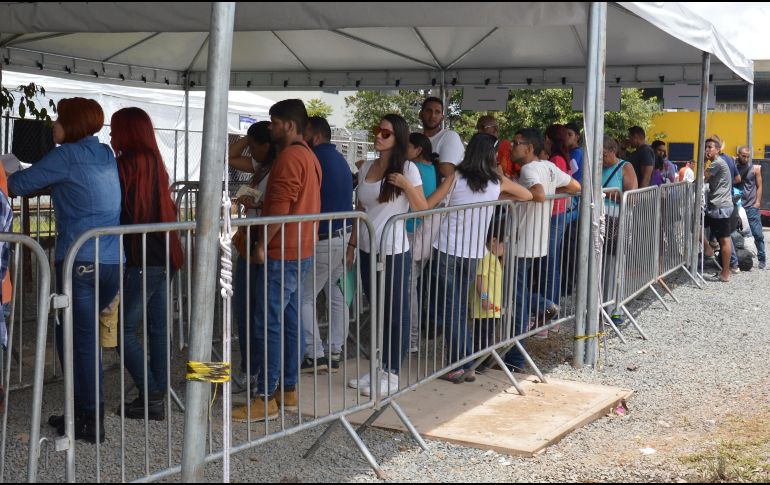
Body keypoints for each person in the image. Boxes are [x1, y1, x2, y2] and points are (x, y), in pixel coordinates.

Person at [9, 97, 121, 443]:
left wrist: (8, 168)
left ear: (71, 124)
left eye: (58, 119)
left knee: (80, 342)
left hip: (80, 261)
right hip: (113, 261)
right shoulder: (104, 154)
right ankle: (82, 412)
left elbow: (18, 186)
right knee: (73, 338)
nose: (53, 125)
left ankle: (90, 420)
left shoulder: (65, 156)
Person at [232, 99, 322, 422]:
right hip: (301, 250)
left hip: (282, 252)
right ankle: (287, 389)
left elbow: (281, 208)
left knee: (266, 323)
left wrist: (261, 245)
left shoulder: (288, 159)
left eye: (273, 122)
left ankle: (264, 397)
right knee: (289, 321)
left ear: (288, 125)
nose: (270, 128)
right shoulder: (310, 157)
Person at [429, 132, 532, 383]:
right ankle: (467, 363)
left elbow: (430, 203)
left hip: (447, 248)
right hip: (474, 252)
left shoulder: (455, 177)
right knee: (459, 308)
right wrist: (498, 196)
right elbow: (527, 195)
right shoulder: (496, 181)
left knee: (452, 309)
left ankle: (463, 364)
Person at [110, 107, 184, 421]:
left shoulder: (125, 164)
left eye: (115, 130)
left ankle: (151, 392)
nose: (111, 136)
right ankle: (156, 395)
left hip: (142, 260)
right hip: (164, 255)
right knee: (157, 330)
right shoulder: (154, 162)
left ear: (128, 132)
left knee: (120, 333)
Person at [346, 114, 428, 397]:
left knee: (395, 311)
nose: (378, 136)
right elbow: (361, 211)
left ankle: (392, 371)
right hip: (369, 249)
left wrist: (405, 185)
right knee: (377, 311)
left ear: (398, 138)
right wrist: (352, 245)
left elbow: (422, 209)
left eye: (386, 133)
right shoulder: (367, 165)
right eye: (376, 130)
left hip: (393, 250)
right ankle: (379, 365)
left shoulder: (408, 169)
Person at [504, 128, 580, 373]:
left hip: (521, 242)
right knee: (517, 292)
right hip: (535, 242)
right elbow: (575, 186)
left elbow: (536, 194)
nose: (512, 147)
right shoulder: (548, 167)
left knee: (516, 299)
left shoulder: (528, 170)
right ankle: (542, 305)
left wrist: (509, 187)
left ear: (528, 147)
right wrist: (548, 194)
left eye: (516, 143)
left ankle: (515, 359)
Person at [299, 116, 354, 373]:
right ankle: (334, 350)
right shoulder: (340, 158)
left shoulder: (315, 158)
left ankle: (314, 353)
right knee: (337, 296)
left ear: (316, 135)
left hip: (324, 237)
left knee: (303, 297)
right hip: (342, 236)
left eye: (305, 131)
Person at [228, 121, 276, 395]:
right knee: (244, 308)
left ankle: (259, 372)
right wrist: (249, 137)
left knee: (259, 311)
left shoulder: (276, 167)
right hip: (250, 242)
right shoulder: (261, 167)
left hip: (263, 243)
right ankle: (249, 369)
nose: (251, 151)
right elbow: (232, 157)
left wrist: (257, 204)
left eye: (256, 146)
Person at [405, 132, 439, 352]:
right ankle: (412, 337)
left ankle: (412, 339)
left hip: (411, 232)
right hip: (424, 235)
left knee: (409, 288)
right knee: (412, 286)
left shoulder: (413, 169)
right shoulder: (431, 169)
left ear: (417, 150)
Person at [540, 124, 572, 332]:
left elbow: (564, 184)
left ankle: (550, 311)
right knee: (552, 263)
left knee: (550, 264)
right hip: (558, 213)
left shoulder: (556, 160)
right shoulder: (562, 157)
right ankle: (551, 309)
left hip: (555, 213)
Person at [601, 136, 638, 311]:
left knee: (614, 265)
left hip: (617, 220)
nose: (601, 159)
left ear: (612, 152)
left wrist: (604, 194)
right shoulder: (598, 167)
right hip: (599, 219)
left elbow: (631, 197)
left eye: (603, 155)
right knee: (600, 264)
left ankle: (615, 307)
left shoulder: (625, 167)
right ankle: (600, 305)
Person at [703, 138, 734, 282]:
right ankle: (708, 247)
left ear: (718, 149)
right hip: (718, 206)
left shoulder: (717, 163)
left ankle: (725, 273)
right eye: (706, 147)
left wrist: (703, 160)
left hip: (720, 207)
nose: (707, 150)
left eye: (710, 147)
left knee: (724, 240)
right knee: (695, 223)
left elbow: (702, 178)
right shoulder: (718, 162)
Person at [419, 97, 465, 178]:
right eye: (429, 111)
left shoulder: (449, 136)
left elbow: (447, 172)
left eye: (437, 112)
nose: (433, 115)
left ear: (442, 118)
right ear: (420, 114)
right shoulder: (414, 138)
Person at [736, 146, 765, 269]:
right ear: (738, 155)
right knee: (736, 234)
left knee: (757, 234)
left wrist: (757, 202)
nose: (746, 158)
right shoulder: (734, 168)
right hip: (737, 207)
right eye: (743, 155)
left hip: (751, 207)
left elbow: (759, 186)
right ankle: (739, 259)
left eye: (748, 156)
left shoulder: (755, 169)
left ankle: (762, 259)